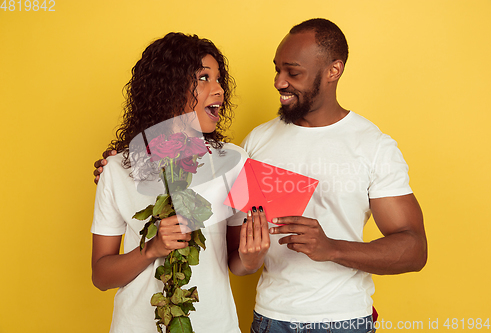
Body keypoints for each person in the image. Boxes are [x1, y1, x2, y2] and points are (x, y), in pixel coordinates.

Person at [95, 19, 427, 333]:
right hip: (270, 319)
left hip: (343, 318)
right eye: (277, 70)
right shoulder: (253, 146)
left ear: (333, 71)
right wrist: (126, 162)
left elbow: (413, 247)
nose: (279, 82)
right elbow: (236, 253)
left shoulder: (373, 146)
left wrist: (332, 248)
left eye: (292, 72)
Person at [91, 32, 269, 333]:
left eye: (218, 78)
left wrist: (253, 259)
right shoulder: (118, 169)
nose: (219, 89)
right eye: (203, 77)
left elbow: (236, 264)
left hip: (215, 325)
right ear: (168, 88)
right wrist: (151, 249)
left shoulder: (235, 162)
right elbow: (101, 276)